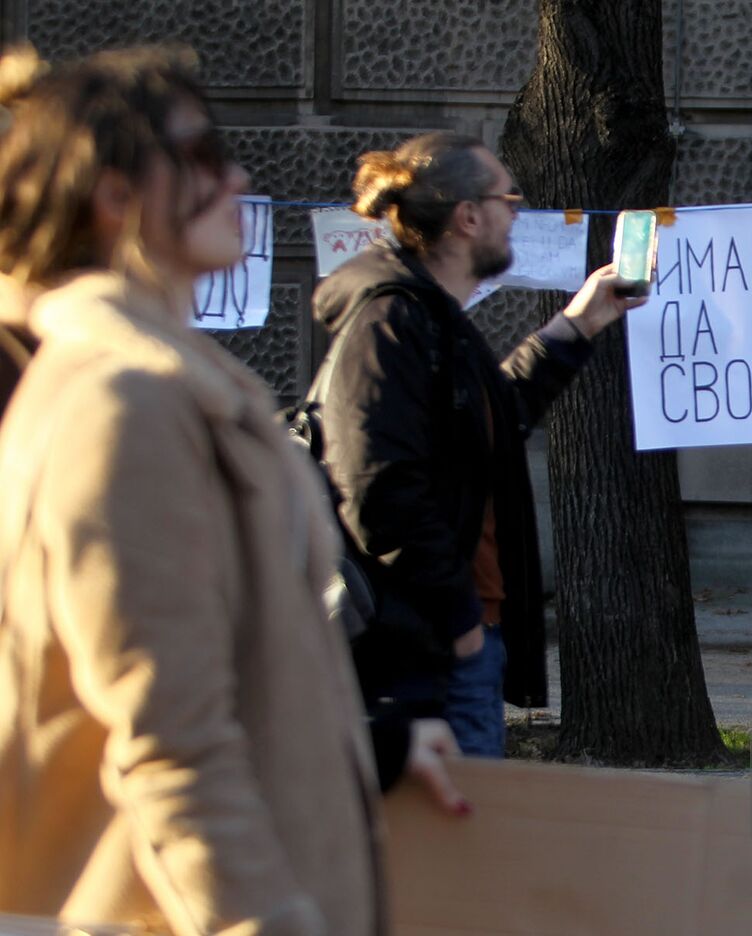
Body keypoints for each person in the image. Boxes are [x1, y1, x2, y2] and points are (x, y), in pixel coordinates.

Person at [0, 45, 461, 935]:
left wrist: (378, 747)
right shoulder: (122, 401)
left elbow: (240, 667)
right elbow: (166, 732)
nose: (237, 176)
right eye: (203, 155)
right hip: (167, 909)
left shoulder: (169, 381)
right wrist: (261, 919)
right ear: (115, 195)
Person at [315, 133, 643, 757]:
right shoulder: (390, 324)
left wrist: (579, 324)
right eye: (507, 198)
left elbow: (493, 413)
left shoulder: (432, 318)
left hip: (455, 645)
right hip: (425, 651)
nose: (516, 214)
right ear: (468, 217)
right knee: (437, 850)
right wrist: (460, 624)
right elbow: (378, 491)